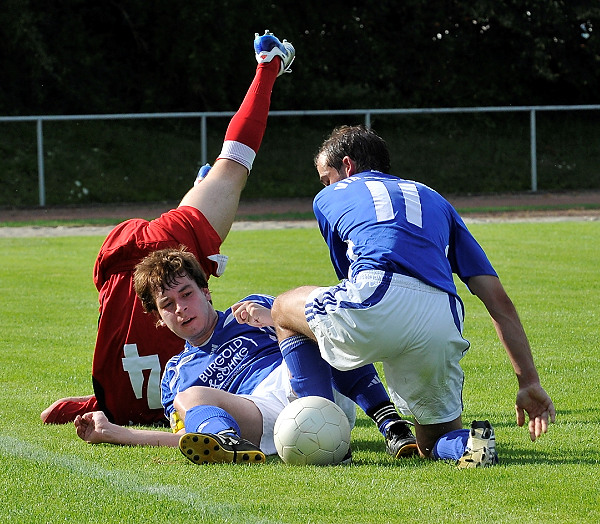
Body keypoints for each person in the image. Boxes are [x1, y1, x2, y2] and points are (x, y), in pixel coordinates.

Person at [41, 30, 296, 426]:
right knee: (227, 171)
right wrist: (93, 404)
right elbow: (68, 406)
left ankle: (269, 64)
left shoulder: (178, 383)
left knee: (233, 166)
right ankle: (263, 72)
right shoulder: (117, 403)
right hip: (119, 262)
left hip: (168, 247)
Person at [268, 124, 556, 468]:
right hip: (440, 314)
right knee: (432, 442)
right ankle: (470, 444)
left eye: (325, 178)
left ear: (347, 166)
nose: (324, 186)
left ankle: (319, 430)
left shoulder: (329, 197)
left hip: (376, 294)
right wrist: (528, 381)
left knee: (283, 309)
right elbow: (498, 300)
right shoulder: (435, 198)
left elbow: (346, 280)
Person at [75, 247, 416, 464]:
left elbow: (327, 324)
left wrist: (274, 317)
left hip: (313, 381)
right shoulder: (176, 374)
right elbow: (185, 439)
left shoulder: (248, 310)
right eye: (167, 305)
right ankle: (228, 443)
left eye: (186, 294)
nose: (180, 308)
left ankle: (392, 425)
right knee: (188, 397)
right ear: (158, 319)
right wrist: (116, 433)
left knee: (302, 310)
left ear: (206, 292)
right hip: (264, 416)